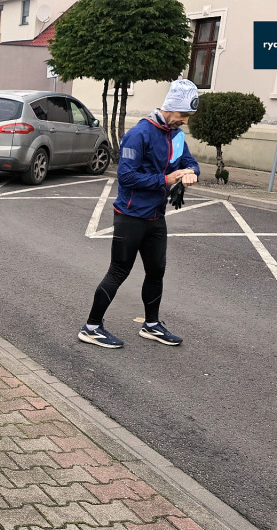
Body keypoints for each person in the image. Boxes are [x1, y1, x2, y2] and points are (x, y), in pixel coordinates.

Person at [78, 79, 201, 348]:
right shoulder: (139, 134)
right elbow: (126, 176)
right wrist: (166, 180)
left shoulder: (176, 136)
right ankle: (91, 327)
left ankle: (152, 325)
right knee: (118, 271)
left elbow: (190, 163)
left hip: (156, 218)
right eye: (183, 116)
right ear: (170, 109)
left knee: (156, 271)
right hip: (130, 217)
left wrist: (191, 173)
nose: (185, 122)